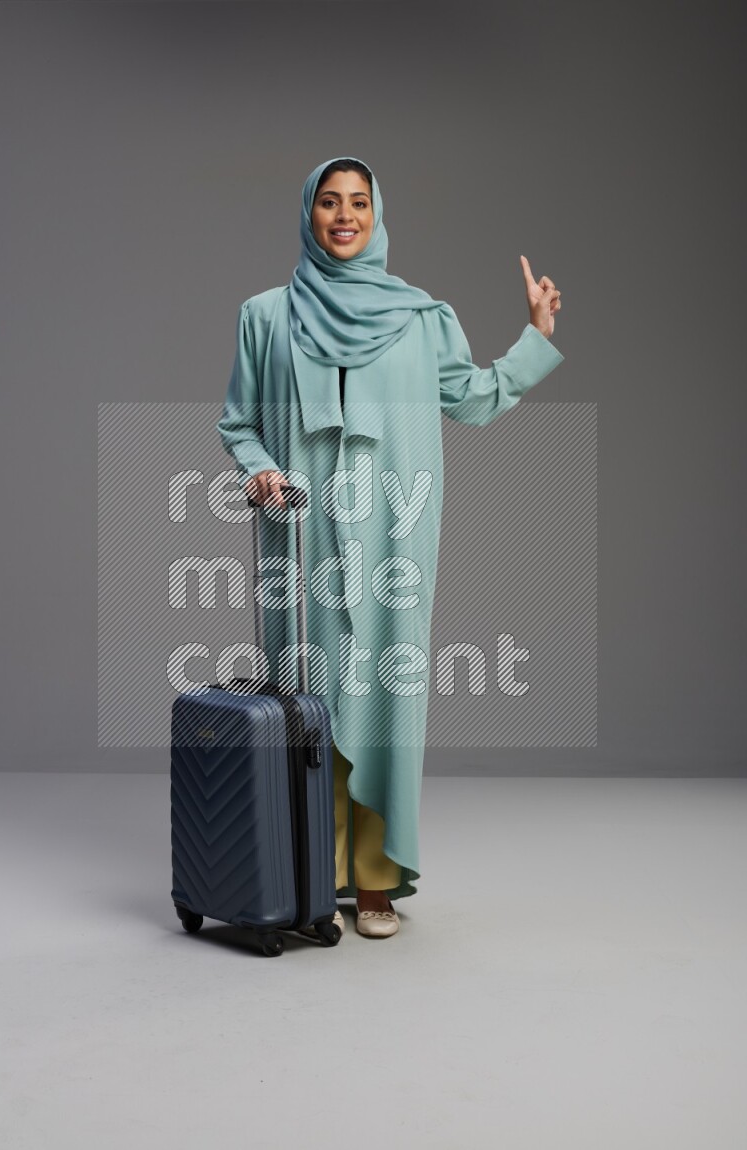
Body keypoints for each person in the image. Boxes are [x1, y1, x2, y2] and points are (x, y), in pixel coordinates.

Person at [217, 155, 564, 939]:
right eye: (329, 202)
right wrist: (262, 469)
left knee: (383, 701)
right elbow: (238, 422)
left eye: (359, 203)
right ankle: (304, 871)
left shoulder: (420, 318)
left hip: (392, 537)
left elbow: (471, 401)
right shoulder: (265, 315)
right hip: (298, 537)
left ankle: (373, 882)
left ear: (378, 217)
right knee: (303, 703)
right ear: (308, 213)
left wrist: (534, 339)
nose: (345, 216)